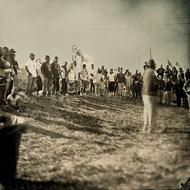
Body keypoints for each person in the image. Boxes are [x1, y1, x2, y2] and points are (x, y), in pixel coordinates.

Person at [142, 59, 158, 133]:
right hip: (151, 93)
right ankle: (150, 128)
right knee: (151, 111)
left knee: (146, 110)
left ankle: (145, 126)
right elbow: (155, 83)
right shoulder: (153, 72)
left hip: (144, 93)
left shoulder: (146, 72)